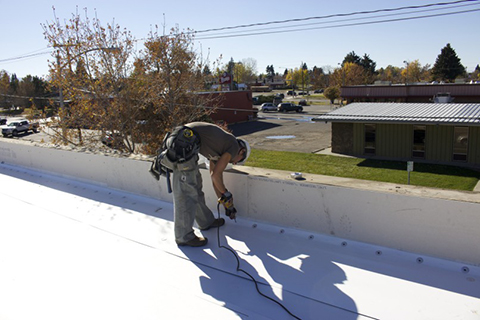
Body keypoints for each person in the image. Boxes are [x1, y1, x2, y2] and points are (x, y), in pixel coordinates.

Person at [170, 121, 250, 247]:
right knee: (186, 194)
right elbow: (216, 176)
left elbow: (215, 178)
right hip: (183, 145)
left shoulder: (220, 148)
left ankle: (205, 221)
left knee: (195, 187)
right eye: (239, 161)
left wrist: (225, 203)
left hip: (186, 146)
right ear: (242, 151)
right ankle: (183, 236)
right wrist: (226, 194)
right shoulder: (233, 146)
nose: (235, 163)